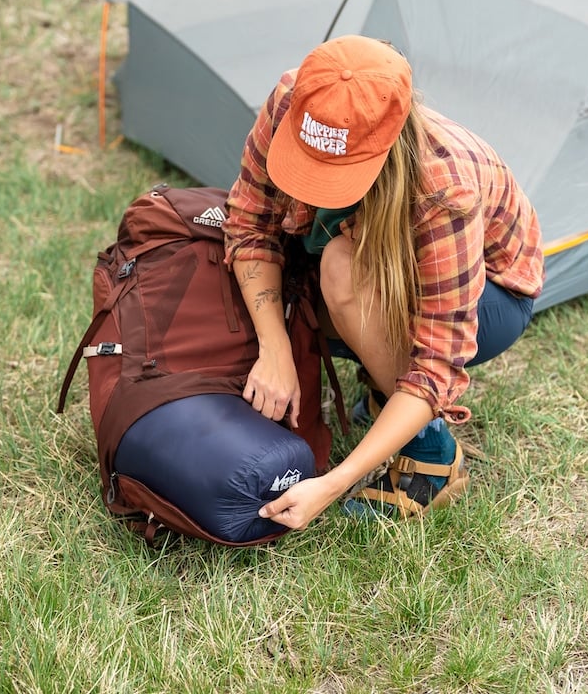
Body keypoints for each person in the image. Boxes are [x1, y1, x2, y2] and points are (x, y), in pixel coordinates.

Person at [223, 34, 544, 530]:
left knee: (340, 268)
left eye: (334, 172)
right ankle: (383, 386)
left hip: (490, 301)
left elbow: (436, 361)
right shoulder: (296, 99)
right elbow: (250, 222)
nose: (313, 183)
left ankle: (431, 454)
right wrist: (275, 348)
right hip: (380, 269)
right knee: (301, 282)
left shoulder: (443, 188)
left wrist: (334, 483)